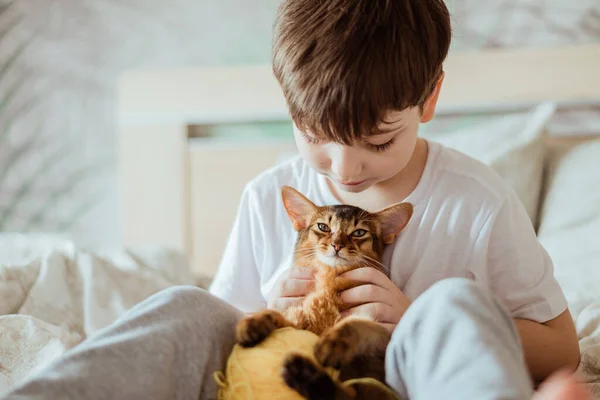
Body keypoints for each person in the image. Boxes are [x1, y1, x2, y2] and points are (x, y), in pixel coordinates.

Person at [1, 0, 588, 399]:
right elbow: (224, 331)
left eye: (378, 142)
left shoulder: (477, 200)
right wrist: (274, 315)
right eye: (315, 140)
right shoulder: (266, 196)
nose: (345, 168)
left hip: (408, 382)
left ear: (429, 99)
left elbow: (561, 343)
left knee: (454, 305)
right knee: (191, 307)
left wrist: (413, 316)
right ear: (289, 109)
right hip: (284, 378)